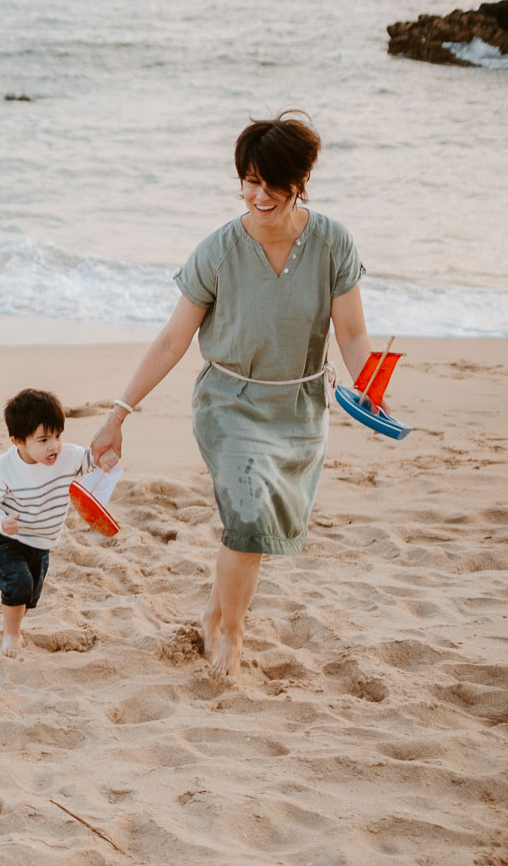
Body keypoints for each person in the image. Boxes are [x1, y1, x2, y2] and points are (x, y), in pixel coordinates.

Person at [88, 111, 376, 679]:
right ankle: (232, 635)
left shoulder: (332, 241)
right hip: (229, 405)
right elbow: (174, 339)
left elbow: (352, 332)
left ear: (301, 181)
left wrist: (370, 388)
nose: (259, 195)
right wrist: (119, 413)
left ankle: (214, 612)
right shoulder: (219, 249)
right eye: (249, 181)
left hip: (299, 408)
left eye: (272, 184)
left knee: (257, 533)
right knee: (246, 521)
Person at [0, 388, 98, 658]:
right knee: (17, 583)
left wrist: (105, 458)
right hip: (7, 536)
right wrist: (1, 521)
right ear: (18, 440)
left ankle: (14, 620)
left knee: (32, 593)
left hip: (42, 539)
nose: (53, 446)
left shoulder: (67, 456)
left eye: (57, 436)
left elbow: (92, 460)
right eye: (43, 440)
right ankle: (10, 633)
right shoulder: (2, 469)